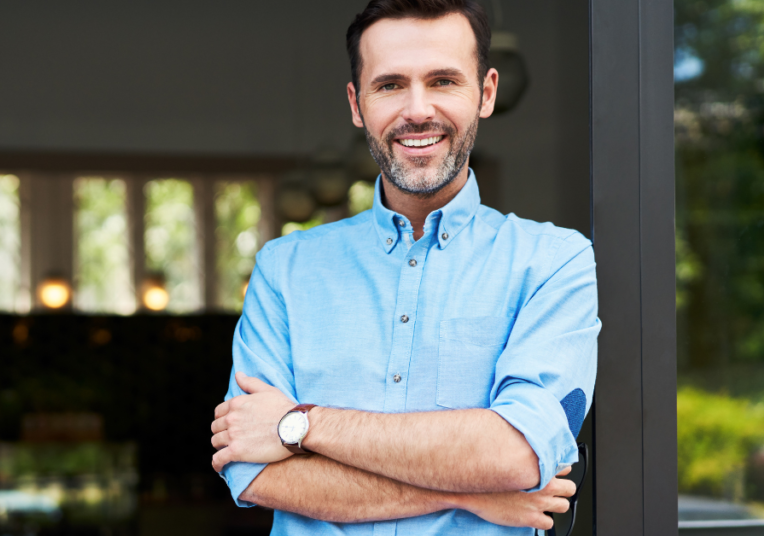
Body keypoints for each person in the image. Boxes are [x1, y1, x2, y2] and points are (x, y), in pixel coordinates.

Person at [209, 0, 600, 534]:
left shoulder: (554, 261)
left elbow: (515, 456)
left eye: (443, 81)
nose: (417, 110)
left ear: (485, 93)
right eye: (390, 85)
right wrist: (475, 497)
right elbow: (254, 473)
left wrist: (298, 424)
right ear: (357, 102)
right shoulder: (284, 268)